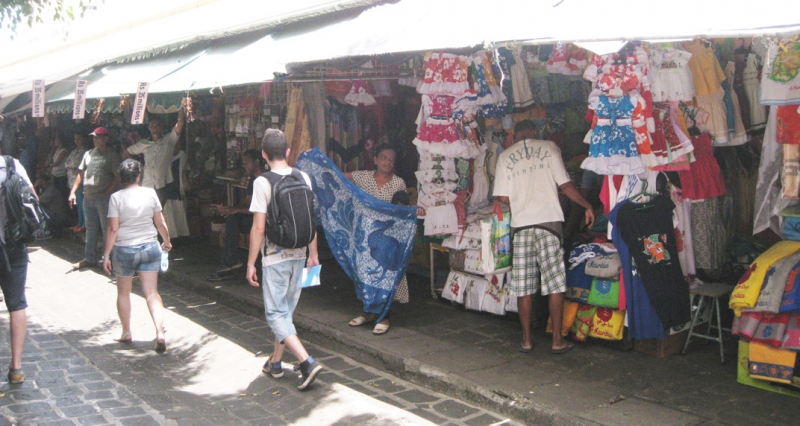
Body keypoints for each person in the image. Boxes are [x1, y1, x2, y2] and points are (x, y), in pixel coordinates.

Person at [493, 120, 595, 355]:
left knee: (524, 287)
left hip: (521, 228)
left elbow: (503, 199)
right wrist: (586, 205)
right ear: (536, 132)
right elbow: (566, 185)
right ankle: (557, 341)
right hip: (549, 224)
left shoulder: (506, 156)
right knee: (554, 285)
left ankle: (527, 340)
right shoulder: (549, 147)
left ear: (515, 136)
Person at [246, 129, 322, 391]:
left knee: (276, 313)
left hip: (275, 257)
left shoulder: (262, 183)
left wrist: (250, 263)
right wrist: (313, 254)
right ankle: (275, 363)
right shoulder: (304, 177)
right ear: (288, 152)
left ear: (264, 154)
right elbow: (310, 221)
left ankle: (306, 361)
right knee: (285, 313)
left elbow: (258, 228)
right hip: (300, 254)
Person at [343, 144, 415, 335]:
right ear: (375, 159)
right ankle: (367, 312)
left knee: (385, 275)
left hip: (387, 237)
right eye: (383, 157)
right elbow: (340, 176)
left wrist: (414, 211)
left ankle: (384, 316)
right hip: (364, 236)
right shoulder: (364, 177)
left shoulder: (398, 182)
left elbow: (401, 208)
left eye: (391, 159)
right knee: (365, 274)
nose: (387, 162)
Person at [102, 159, 171, 352]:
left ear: (121, 178)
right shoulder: (150, 193)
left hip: (124, 249)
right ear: (139, 176)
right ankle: (159, 332)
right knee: (152, 293)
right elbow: (160, 221)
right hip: (149, 246)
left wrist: (106, 255)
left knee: (123, 292)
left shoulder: (116, 198)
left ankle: (126, 331)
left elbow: (113, 229)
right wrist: (166, 241)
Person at [207, 149, 267, 281]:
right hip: (254, 219)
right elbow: (247, 203)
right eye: (244, 163)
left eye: (247, 162)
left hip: (267, 220)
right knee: (232, 219)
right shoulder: (253, 180)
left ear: (257, 162)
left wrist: (236, 210)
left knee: (234, 218)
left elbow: (262, 210)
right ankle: (230, 259)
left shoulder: (266, 178)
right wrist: (230, 209)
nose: (245, 166)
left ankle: (230, 260)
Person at [0, 156, 34, 384]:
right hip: (13, 245)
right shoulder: (12, 164)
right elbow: (32, 200)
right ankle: (17, 367)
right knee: (17, 303)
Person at [68, 127, 121, 270]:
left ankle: (108, 259)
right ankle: (89, 258)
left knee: (106, 229)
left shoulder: (112, 155)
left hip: (102, 197)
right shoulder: (88, 154)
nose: (95, 140)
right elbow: (80, 174)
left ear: (105, 138)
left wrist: (107, 193)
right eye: (94, 137)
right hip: (88, 197)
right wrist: (73, 192)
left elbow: (117, 177)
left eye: (98, 137)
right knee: (91, 229)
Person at [126, 112, 186, 206]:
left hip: (163, 184)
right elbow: (127, 152)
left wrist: (182, 108)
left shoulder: (169, 140)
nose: (155, 128)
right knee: (146, 210)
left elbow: (180, 124)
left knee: (159, 210)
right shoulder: (144, 143)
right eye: (152, 126)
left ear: (162, 128)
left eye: (158, 125)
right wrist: (138, 165)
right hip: (147, 184)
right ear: (149, 128)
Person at [161, 141, 190, 239]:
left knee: (179, 213)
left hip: (178, 188)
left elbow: (184, 170)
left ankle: (181, 236)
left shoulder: (182, 156)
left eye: (177, 145)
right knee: (169, 214)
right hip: (167, 189)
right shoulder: (164, 157)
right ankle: (170, 237)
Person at [64, 131, 90, 233]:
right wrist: (71, 165)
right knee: (78, 204)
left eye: (79, 139)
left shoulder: (85, 151)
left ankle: (84, 224)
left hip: (80, 181)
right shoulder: (75, 150)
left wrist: (71, 165)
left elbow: (76, 164)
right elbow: (66, 163)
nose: (77, 141)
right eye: (76, 139)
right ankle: (79, 223)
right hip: (71, 181)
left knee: (82, 203)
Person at [46, 131, 70, 199]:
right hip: (55, 174)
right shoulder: (57, 150)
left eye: (56, 140)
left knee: (62, 193)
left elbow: (57, 162)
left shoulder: (64, 151)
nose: (55, 141)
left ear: (61, 141)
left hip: (61, 175)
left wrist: (49, 166)